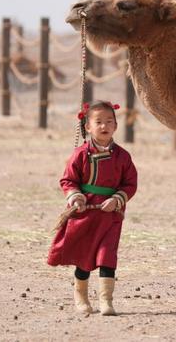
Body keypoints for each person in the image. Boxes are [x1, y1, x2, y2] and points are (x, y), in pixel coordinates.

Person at [47, 100, 137, 316]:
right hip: (85, 212)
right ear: (88, 127)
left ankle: (106, 301)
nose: (104, 126)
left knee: (108, 256)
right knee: (85, 257)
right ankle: (81, 297)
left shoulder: (123, 156)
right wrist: (75, 197)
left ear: (116, 126)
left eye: (109, 121)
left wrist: (117, 199)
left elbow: (130, 183)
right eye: (98, 122)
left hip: (110, 214)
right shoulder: (80, 154)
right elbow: (68, 180)